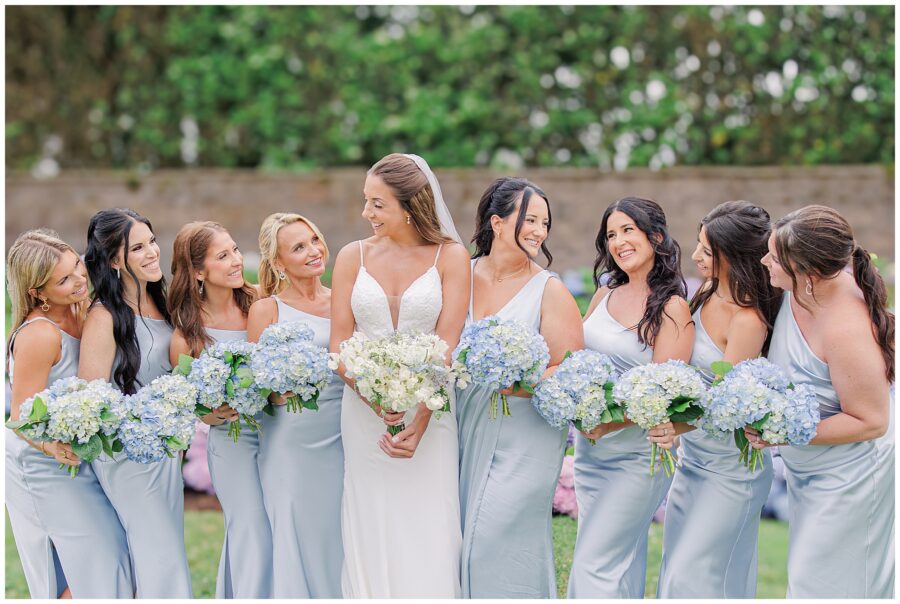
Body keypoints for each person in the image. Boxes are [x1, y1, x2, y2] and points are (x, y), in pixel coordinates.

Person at [329, 153, 470, 597]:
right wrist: (379, 401)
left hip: (431, 415)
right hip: (363, 413)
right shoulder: (352, 256)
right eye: (366, 202)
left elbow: (448, 346)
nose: (365, 213)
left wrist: (418, 420)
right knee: (370, 520)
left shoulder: (450, 257)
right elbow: (339, 346)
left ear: (409, 207)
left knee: (428, 521)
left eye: (377, 204)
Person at [753, 205, 894, 598]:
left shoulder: (847, 326)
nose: (764, 261)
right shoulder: (797, 292)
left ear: (808, 271)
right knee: (811, 577)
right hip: (810, 472)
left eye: (773, 257)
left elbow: (872, 421)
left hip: (851, 477)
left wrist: (780, 431)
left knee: (827, 583)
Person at [457, 177, 583, 597]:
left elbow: (571, 370)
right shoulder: (458, 277)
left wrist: (518, 380)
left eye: (545, 223)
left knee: (493, 540)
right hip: (461, 428)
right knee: (458, 544)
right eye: (529, 220)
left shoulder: (551, 290)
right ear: (496, 222)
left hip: (524, 438)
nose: (539, 232)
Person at [567, 197, 694, 598]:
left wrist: (606, 422)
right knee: (620, 563)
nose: (618, 241)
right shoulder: (604, 295)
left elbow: (663, 396)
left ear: (655, 237)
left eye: (628, 231)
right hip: (591, 453)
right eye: (610, 235)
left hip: (639, 458)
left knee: (595, 563)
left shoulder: (673, 308)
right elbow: (577, 361)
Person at [657, 201, 781, 597]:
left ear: (736, 257)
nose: (695, 256)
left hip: (731, 470)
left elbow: (724, 406)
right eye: (698, 244)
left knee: (695, 575)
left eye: (707, 251)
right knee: (679, 570)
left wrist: (675, 426)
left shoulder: (748, 319)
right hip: (693, 461)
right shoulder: (705, 293)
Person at [5, 229, 132, 598]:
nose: (80, 279)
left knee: (108, 558)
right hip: (44, 466)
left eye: (77, 265)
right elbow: (21, 418)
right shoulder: (40, 335)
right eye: (64, 280)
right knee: (95, 560)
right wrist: (53, 448)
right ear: (37, 293)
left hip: (82, 458)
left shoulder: (83, 309)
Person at [78, 208, 192, 597]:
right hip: (127, 456)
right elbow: (91, 399)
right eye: (138, 247)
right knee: (161, 552)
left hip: (165, 451)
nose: (152, 253)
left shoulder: (164, 304)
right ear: (114, 261)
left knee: (160, 549)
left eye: (152, 242)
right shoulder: (104, 316)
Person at [246, 213, 344, 598]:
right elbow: (256, 386)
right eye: (298, 247)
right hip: (290, 441)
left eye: (314, 240)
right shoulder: (266, 310)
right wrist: (277, 390)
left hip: (341, 433)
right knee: (296, 529)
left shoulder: (345, 301)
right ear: (278, 263)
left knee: (339, 530)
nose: (313, 251)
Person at [167, 221, 267, 598]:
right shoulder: (187, 336)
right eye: (223, 256)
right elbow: (191, 406)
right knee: (250, 527)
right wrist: (212, 414)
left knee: (278, 524)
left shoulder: (261, 304)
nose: (237, 261)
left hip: (278, 436)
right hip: (232, 444)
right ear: (197, 272)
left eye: (236, 250)